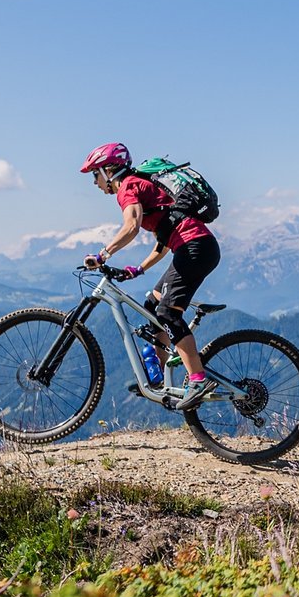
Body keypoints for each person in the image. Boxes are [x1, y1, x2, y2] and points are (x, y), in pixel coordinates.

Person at [78, 142, 219, 408]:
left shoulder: (128, 187)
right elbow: (163, 243)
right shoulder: (144, 188)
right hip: (194, 248)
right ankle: (157, 379)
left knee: (168, 313)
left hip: (195, 248)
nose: (95, 183)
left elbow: (131, 226)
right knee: (153, 304)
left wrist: (102, 255)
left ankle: (198, 378)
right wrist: (139, 269)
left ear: (108, 171)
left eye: (95, 175)